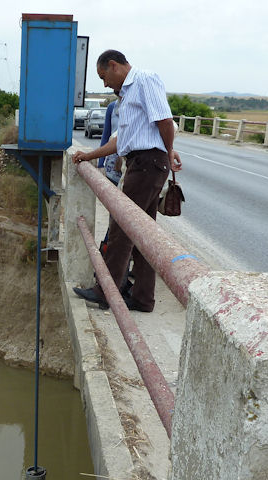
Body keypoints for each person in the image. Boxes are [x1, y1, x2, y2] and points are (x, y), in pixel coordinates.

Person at [72, 50, 181, 312]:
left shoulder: (144, 79)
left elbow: (165, 121)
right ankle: (143, 298)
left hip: (147, 165)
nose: (104, 83)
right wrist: (89, 155)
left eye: (103, 76)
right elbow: (122, 141)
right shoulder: (126, 94)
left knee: (122, 228)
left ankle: (105, 292)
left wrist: (168, 152)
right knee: (143, 234)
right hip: (142, 163)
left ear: (113, 65)